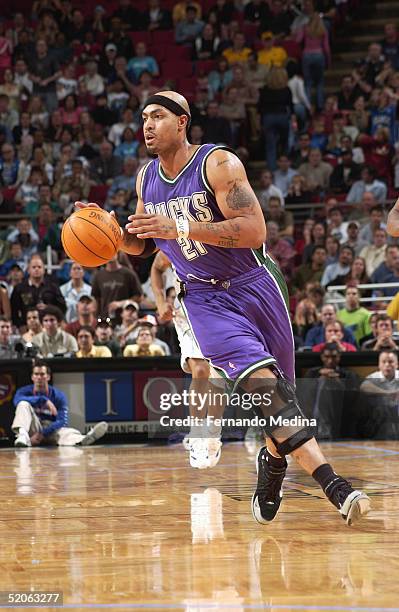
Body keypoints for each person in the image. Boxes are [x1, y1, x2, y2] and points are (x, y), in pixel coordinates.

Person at [75, 90, 370, 526]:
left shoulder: (219, 163)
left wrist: (180, 225)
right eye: (143, 118)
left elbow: (253, 230)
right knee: (263, 388)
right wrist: (111, 232)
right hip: (204, 298)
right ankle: (335, 486)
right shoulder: (145, 179)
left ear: (182, 122)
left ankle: (272, 464)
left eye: (158, 115)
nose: (147, 125)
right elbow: (142, 241)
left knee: (280, 399)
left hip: (257, 285)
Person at [151, 250, 219, 468]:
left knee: (218, 376)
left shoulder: (221, 234)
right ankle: (198, 434)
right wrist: (161, 301)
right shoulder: (178, 237)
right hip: (187, 311)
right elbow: (156, 267)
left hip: (221, 308)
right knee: (200, 371)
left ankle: (213, 433)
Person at [12, 360, 107, 447]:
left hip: (50, 429)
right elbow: (16, 401)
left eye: (42, 374)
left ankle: (84, 439)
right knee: (23, 404)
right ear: (32, 377)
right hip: (32, 427)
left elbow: (62, 421)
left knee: (67, 432)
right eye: (36, 374)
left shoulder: (58, 395)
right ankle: (22, 437)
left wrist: (43, 433)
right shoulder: (24, 391)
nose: (39, 378)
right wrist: (43, 400)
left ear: (48, 377)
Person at [301, 343, 359, 439]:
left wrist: (337, 382)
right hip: (314, 411)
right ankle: (322, 428)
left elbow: (352, 396)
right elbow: (305, 394)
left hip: (340, 411)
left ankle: (323, 429)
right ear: (322, 357)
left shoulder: (347, 374)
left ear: (339, 357)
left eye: (334, 357)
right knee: (323, 380)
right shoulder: (313, 373)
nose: (330, 360)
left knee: (326, 381)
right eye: (327, 357)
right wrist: (318, 378)